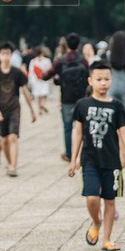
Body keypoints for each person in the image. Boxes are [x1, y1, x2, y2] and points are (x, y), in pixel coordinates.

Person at [67, 61, 125, 251]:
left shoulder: (117, 106)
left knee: (110, 200)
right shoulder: (82, 104)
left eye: (107, 79)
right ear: (90, 80)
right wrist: (73, 159)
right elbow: (78, 133)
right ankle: (96, 222)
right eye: (99, 79)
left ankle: (107, 238)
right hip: (89, 159)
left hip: (112, 161)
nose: (103, 83)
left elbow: (123, 133)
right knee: (91, 198)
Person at [0, 41, 37, 177]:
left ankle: (13, 166)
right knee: (4, 140)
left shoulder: (17, 73)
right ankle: (9, 162)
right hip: (0, 110)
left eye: (8, 53)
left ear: (11, 55)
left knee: (13, 137)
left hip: (14, 108)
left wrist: (32, 109)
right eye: (3, 54)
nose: (6, 56)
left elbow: (25, 91)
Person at [42, 32, 89, 162]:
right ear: (78, 45)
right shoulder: (83, 61)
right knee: (84, 127)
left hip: (66, 99)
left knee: (68, 128)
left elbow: (46, 76)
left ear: (66, 45)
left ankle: (69, 154)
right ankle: (83, 152)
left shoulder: (60, 61)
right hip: (82, 99)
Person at [28, 47, 52, 114]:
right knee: (45, 94)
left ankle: (39, 109)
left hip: (36, 80)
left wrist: (30, 81)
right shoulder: (47, 60)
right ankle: (43, 104)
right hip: (44, 79)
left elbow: (31, 72)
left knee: (38, 95)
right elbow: (49, 70)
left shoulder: (33, 61)